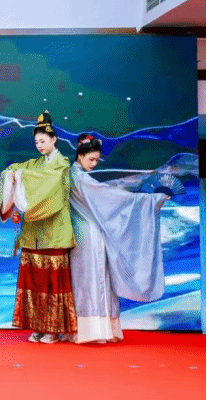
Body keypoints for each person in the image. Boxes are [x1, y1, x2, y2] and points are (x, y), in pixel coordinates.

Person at [68, 133, 167, 344]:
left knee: (83, 281)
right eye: (91, 159)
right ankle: (97, 331)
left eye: (96, 160)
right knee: (95, 279)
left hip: (77, 233)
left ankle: (82, 330)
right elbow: (112, 197)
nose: (94, 164)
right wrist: (150, 200)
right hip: (90, 235)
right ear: (80, 156)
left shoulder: (71, 175)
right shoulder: (81, 179)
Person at [0, 110, 77, 344]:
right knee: (34, 280)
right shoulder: (35, 164)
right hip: (34, 233)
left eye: (43, 141)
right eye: (36, 142)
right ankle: (38, 326)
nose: (39, 145)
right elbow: (13, 170)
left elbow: (46, 183)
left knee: (51, 282)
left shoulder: (61, 165)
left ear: (54, 140)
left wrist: (23, 177)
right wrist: (14, 175)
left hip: (53, 232)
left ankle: (53, 328)